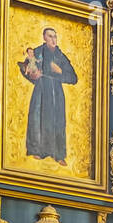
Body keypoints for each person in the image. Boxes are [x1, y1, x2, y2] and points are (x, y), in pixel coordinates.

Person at [20, 26, 77, 164]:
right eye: (50, 36)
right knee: (37, 118)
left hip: (56, 91)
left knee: (58, 121)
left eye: (55, 36)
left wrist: (59, 72)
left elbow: (73, 78)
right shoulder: (38, 52)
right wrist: (32, 75)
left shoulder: (60, 56)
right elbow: (25, 67)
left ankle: (59, 154)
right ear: (44, 38)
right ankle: (37, 150)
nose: (53, 39)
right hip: (41, 89)